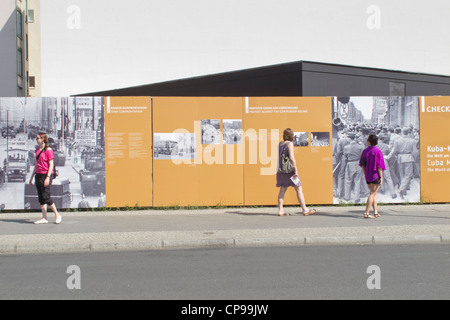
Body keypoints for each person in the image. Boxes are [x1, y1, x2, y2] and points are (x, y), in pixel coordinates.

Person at [276, 128, 316, 217]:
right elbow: (292, 158)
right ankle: (305, 209)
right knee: (298, 188)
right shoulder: (289, 144)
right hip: (290, 171)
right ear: (291, 135)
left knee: (282, 189)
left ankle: (280, 210)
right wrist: (296, 171)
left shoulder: (280, 144)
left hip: (282, 170)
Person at [29, 133, 62, 224]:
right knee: (41, 196)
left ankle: (57, 215)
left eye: (38, 138)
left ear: (43, 139)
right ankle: (44, 217)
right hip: (38, 175)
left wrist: (47, 177)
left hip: (46, 175)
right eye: (36, 138)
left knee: (46, 196)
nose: (37, 140)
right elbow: (36, 165)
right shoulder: (37, 150)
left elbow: (51, 165)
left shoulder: (48, 150)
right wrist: (31, 177)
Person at [359, 134, 386, 219]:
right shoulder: (378, 151)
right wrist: (381, 177)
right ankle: (366, 212)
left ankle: (375, 212)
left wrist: (365, 173)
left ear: (368, 141)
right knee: (373, 194)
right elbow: (379, 166)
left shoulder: (365, 151)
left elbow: (362, 164)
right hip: (375, 175)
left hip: (368, 174)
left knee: (373, 193)